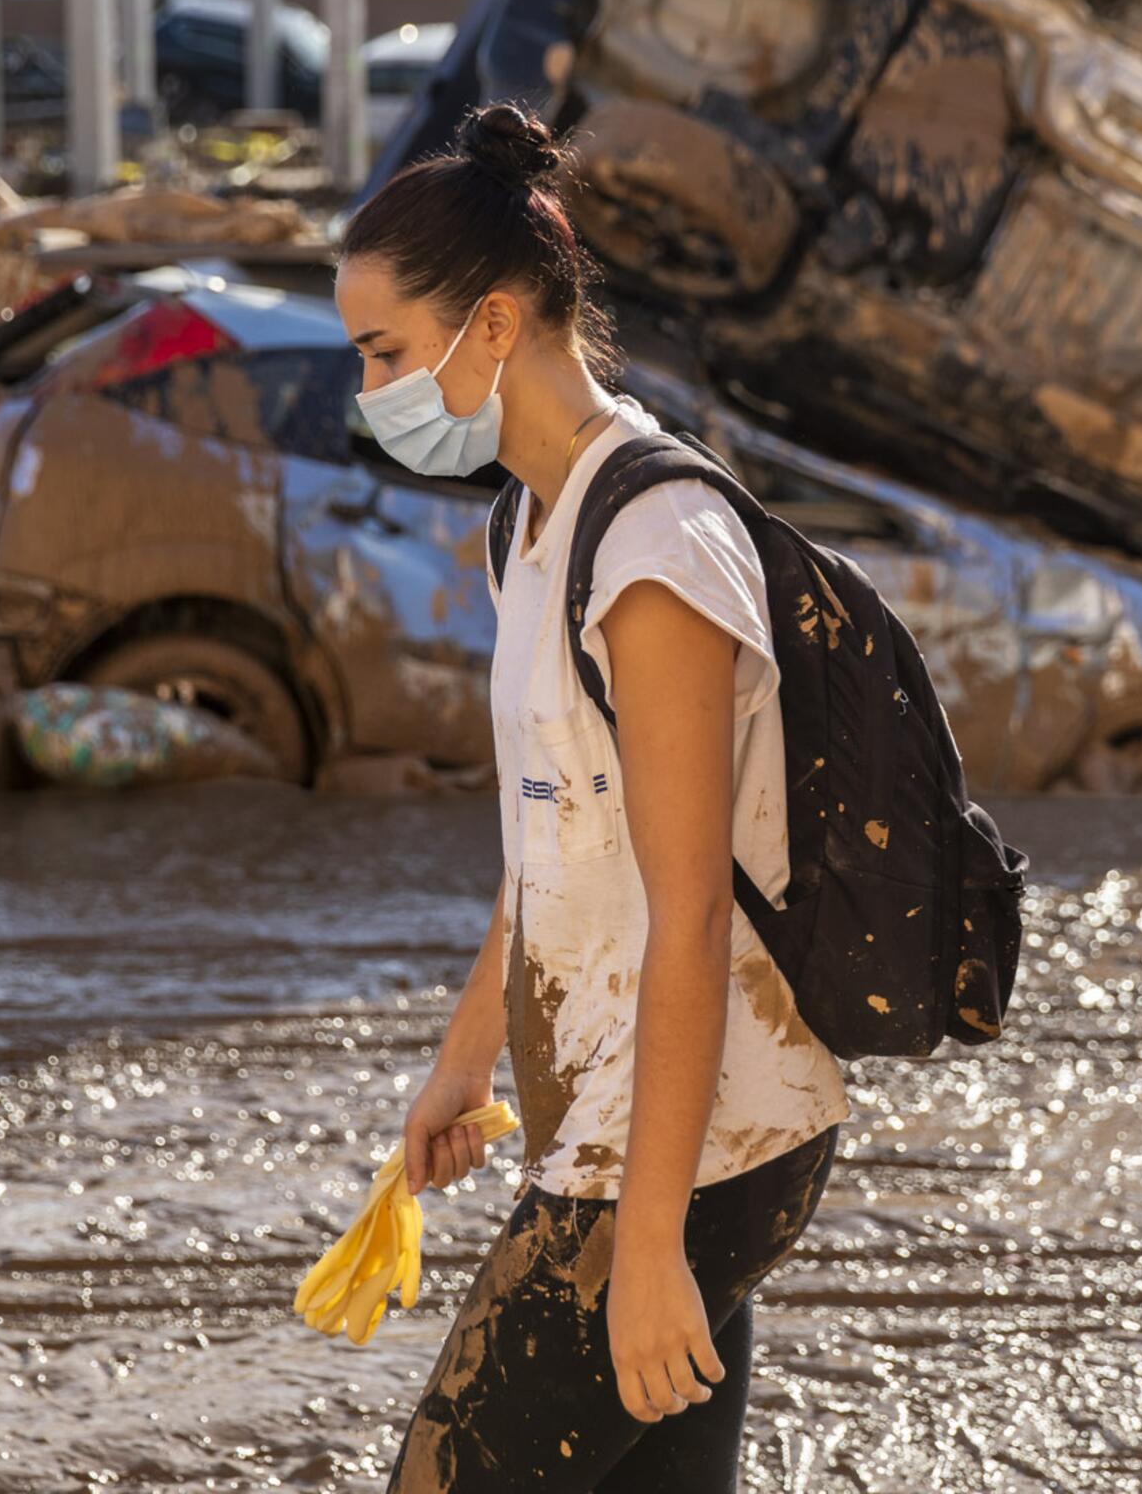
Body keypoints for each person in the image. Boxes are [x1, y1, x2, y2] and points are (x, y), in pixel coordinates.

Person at [335, 101, 852, 1491]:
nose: (369, 389)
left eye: (384, 351)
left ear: (494, 326)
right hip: (637, 1127)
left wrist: (649, 1246)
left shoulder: (658, 551)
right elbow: (552, 841)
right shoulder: (533, 523)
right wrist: (466, 1056)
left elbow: (688, 914)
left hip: (696, 1143)